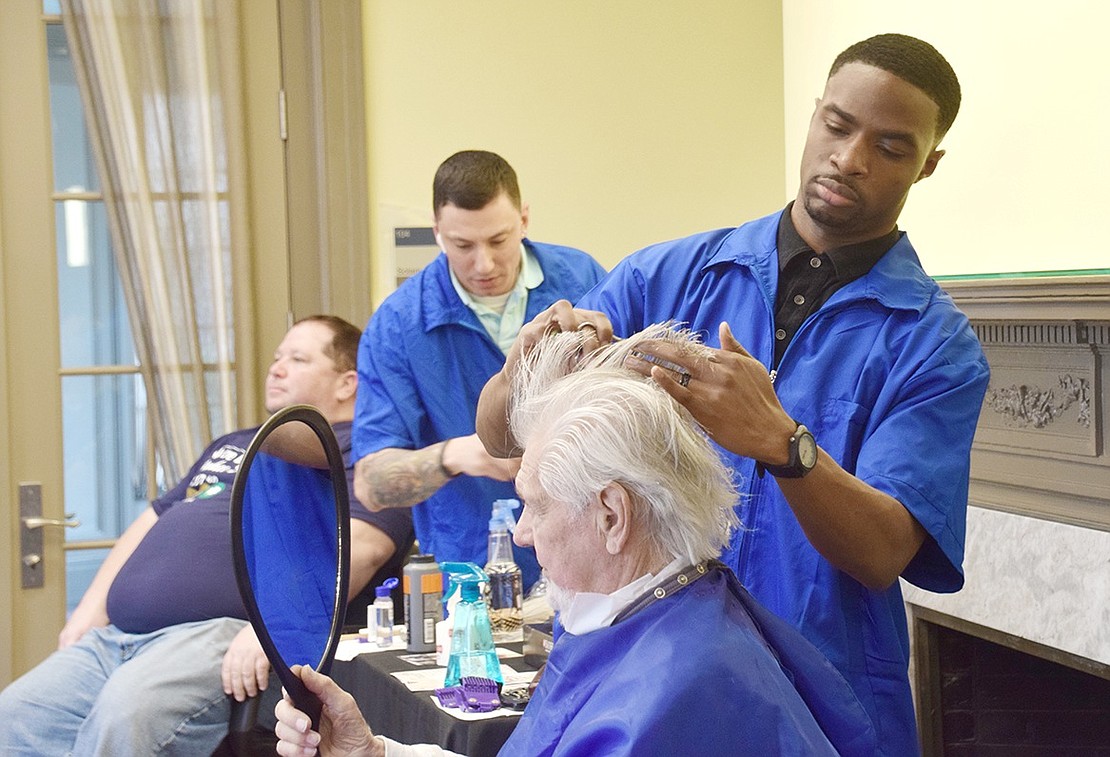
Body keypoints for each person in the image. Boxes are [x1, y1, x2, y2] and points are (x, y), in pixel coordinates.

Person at [477, 34, 990, 755]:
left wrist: (784, 444)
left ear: (929, 163)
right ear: (814, 116)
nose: (850, 157)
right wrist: (532, 357)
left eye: (891, 146)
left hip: (818, 704)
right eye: (837, 126)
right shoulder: (669, 276)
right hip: (638, 686)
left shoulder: (934, 346)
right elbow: (501, 433)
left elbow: (883, 552)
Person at [274, 325, 878, 757]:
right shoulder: (642, 617)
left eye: (535, 505)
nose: (521, 532)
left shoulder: (679, 694)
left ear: (612, 515)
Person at [0, 315, 415, 755]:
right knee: (16, 717)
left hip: (215, 634)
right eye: (277, 358)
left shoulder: (369, 457)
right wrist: (89, 609)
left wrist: (276, 626)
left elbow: (363, 547)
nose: (276, 368)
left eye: (297, 359)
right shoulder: (234, 442)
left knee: (125, 722)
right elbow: (154, 521)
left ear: (347, 383)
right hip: (115, 638)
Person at [352, 149, 605, 589]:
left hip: (594, 556)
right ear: (437, 232)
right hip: (474, 577)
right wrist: (460, 455)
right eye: (462, 245)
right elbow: (372, 485)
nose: (483, 264)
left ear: (524, 219)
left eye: (499, 240)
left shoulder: (584, 280)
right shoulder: (398, 324)